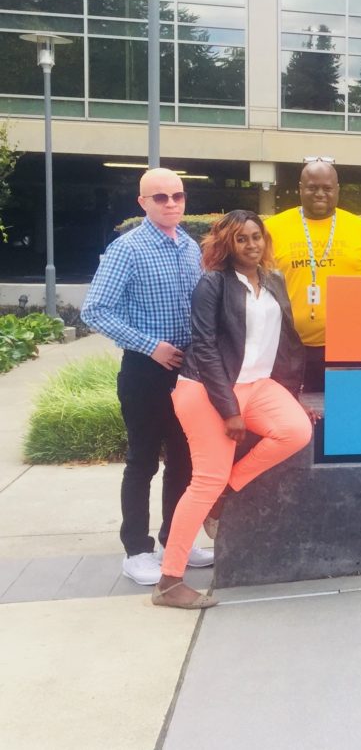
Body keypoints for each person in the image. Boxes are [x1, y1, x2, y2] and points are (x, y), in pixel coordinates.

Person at [154, 210, 312, 609]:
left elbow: (286, 341)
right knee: (205, 479)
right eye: (242, 239)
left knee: (296, 431)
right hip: (207, 389)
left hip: (258, 385)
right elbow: (204, 347)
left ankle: (228, 489)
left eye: (257, 237)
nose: (252, 245)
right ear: (228, 244)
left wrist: (291, 392)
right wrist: (228, 410)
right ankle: (170, 581)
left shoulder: (274, 280)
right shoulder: (213, 284)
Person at [81, 168, 213, 586]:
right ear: (142, 203)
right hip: (145, 372)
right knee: (142, 462)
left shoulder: (191, 248)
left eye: (177, 195)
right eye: (160, 197)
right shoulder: (127, 249)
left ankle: (176, 539)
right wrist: (150, 345)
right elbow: (95, 310)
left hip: (188, 374)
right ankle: (136, 550)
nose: (171, 203)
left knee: (184, 461)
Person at [265, 158, 361, 392]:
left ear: (338, 190)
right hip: (286, 348)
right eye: (312, 187)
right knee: (295, 420)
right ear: (300, 189)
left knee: (345, 417)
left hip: (350, 349)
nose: (320, 193)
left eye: (327, 188)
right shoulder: (272, 230)